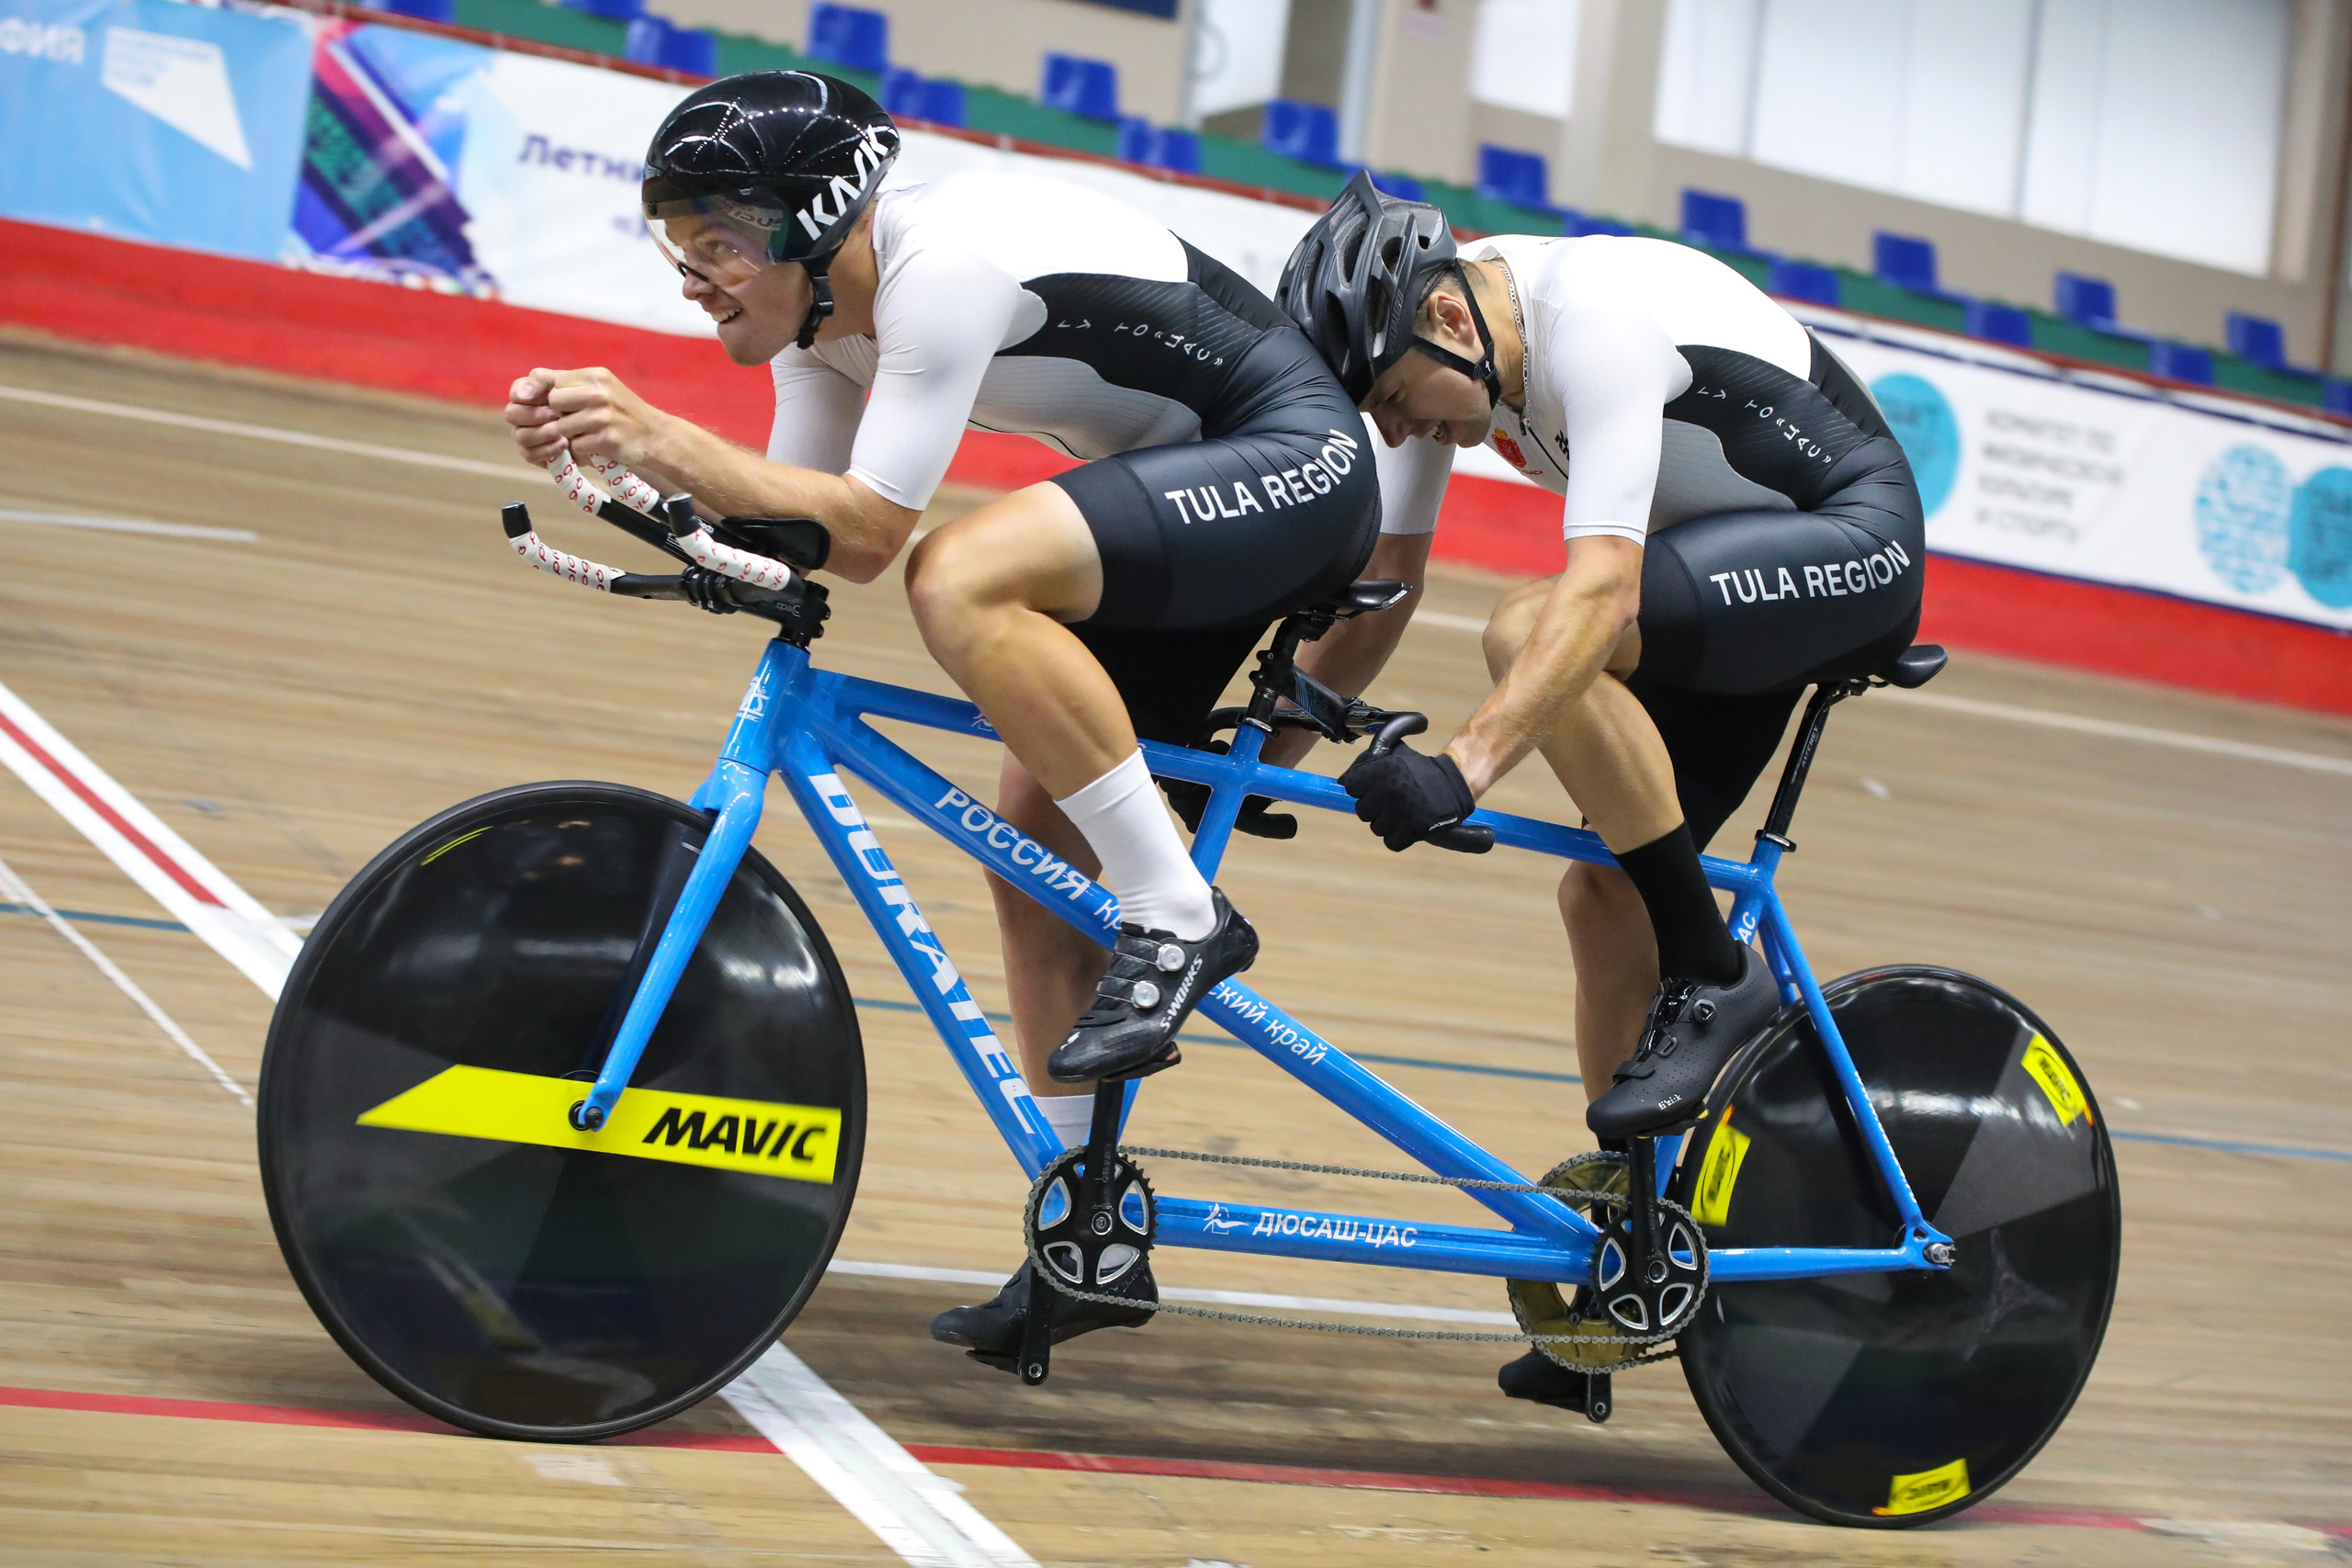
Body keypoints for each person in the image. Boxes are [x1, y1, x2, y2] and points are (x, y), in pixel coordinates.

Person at [503, 73, 1397, 1369]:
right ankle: (1086, 1235)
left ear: (816, 223)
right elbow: (799, 528)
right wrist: (622, 467)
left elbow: (874, 534)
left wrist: (661, 434)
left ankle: (1182, 913)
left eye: (719, 244)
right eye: (676, 245)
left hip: (1296, 463)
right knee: (1035, 842)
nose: (693, 278)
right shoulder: (821, 323)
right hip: (1192, 483)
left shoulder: (938, 272)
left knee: (961, 574)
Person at [1279, 173, 1927, 1411]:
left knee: (1529, 627)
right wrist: (1275, 753)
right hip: (1727, 572)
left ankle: (1716, 969)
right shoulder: (1446, 352)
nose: (1398, 434)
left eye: (1397, 402)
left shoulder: (1596, 321)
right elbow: (1388, 581)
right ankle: (1632, 1259)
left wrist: (1464, 766)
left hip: (1850, 544)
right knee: (1599, 898)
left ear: (1450, 321)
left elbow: (1601, 596)